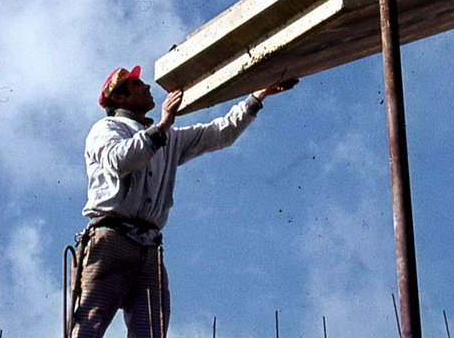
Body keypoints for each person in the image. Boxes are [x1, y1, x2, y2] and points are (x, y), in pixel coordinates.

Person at [70, 64, 295, 338]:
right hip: (111, 240)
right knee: (88, 327)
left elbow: (219, 133)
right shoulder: (107, 128)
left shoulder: (168, 138)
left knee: (151, 331)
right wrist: (163, 125)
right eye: (137, 85)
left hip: (148, 246)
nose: (147, 87)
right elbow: (121, 160)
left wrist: (257, 97)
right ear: (119, 98)